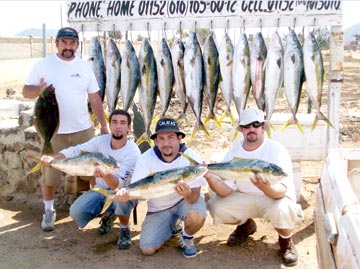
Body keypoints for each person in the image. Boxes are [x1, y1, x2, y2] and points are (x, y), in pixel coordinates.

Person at [22, 27, 109, 232]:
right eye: (64, 43)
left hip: (83, 130)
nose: (68, 47)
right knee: (50, 174)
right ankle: (49, 210)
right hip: (54, 134)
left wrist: (104, 125)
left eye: (72, 43)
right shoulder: (43, 65)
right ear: (57, 44)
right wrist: (39, 91)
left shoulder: (85, 67)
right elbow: (26, 92)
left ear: (77, 45)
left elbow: (94, 97)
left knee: (90, 172)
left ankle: (87, 207)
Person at [204, 107, 304, 267]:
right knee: (217, 206)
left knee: (283, 210)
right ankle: (246, 225)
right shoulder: (234, 152)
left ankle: (286, 241)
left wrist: (266, 188)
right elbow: (225, 191)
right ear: (241, 130)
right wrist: (208, 176)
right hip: (244, 196)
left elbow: (281, 191)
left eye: (256, 124)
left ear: (263, 127)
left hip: (272, 198)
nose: (251, 129)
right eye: (246, 126)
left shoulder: (277, 150)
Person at [40, 109, 141, 249]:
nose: (118, 126)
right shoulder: (101, 141)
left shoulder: (133, 152)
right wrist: (53, 158)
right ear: (110, 125)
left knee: (121, 197)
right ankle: (109, 213)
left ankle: (124, 228)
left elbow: (117, 184)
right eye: (114, 122)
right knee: (76, 212)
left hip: (123, 193)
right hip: (100, 191)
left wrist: (105, 174)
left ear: (128, 127)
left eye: (123, 123)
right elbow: (76, 150)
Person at [115, 118, 207, 258]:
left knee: (196, 217)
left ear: (179, 138)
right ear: (156, 141)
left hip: (185, 202)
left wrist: (187, 194)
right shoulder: (146, 159)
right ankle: (172, 225)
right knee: (147, 249)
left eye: (171, 138)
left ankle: (187, 237)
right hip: (159, 207)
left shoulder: (191, 158)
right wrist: (125, 195)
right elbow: (139, 190)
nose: (166, 143)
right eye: (161, 139)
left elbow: (194, 196)